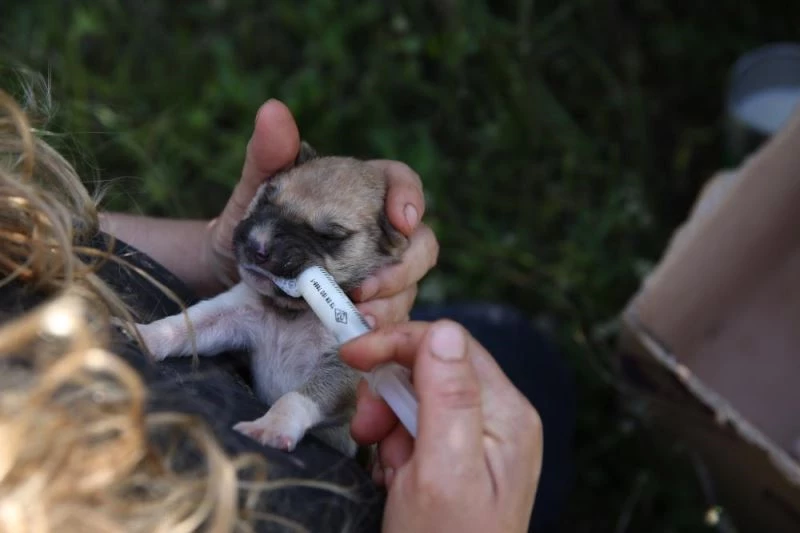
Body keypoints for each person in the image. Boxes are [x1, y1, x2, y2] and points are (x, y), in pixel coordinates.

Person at [0, 89, 574, 532]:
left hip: (313, 436)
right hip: (325, 498)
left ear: (387, 250)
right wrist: (157, 337)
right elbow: (220, 318)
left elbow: (342, 376)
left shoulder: (354, 319)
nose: (262, 240)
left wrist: (208, 256)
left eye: (328, 235)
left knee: (519, 350)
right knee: (524, 359)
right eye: (270, 201)